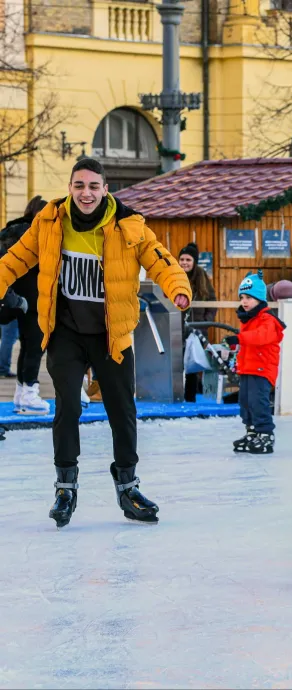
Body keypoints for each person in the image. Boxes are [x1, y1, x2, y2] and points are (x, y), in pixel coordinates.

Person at [0, 158, 191, 527]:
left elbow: (161, 261)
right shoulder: (50, 221)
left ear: (106, 189)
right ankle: (65, 487)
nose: (85, 193)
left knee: (122, 411)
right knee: (68, 407)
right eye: (78, 186)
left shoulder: (128, 225)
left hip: (112, 335)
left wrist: (178, 288)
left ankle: (128, 487)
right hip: (65, 333)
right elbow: (16, 259)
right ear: (70, 188)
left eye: (93, 186)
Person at [0, 195, 48, 413]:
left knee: (28, 344)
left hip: (13, 297)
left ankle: (22, 393)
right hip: (29, 297)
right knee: (34, 344)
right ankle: (29, 392)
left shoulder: (11, 230)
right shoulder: (32, 233)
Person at [228, 274, 285, 454]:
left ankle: (266, 434)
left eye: (249, 298)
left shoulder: (267, 319)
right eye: (242, 298)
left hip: (262, 370)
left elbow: (261, 337)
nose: (244, 302)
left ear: (259, 298)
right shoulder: (248, 319)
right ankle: (252, 432)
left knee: (258, 402)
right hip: (248, 369)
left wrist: (239, 338)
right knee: (245, 401)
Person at [178, 243, 216, 403]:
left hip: (197, 328)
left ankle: (190, 398)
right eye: (182, 259)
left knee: (192, 364)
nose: (184, 262)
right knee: (176, 364)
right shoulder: (175, 276)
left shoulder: (202, 277)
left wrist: (205, 322)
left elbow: (212, 301)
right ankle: (176, 397)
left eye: (188, 259)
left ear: (194, 262)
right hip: (177, 328)